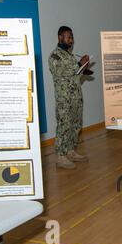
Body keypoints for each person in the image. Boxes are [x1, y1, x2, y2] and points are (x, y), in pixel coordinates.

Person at [48, 26, 90, 170]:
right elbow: (60, 72)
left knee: (76, 125)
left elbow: (75, 75)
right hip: (64, 99)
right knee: (64, 126)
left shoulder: (70, 56)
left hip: (76, 97)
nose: (71, 40)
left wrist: (83, 67)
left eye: (72, 37)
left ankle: (70, 151)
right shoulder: (55, 56)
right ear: (60, 37)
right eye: (68, 37)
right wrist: (79, 64)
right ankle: (60, 156)